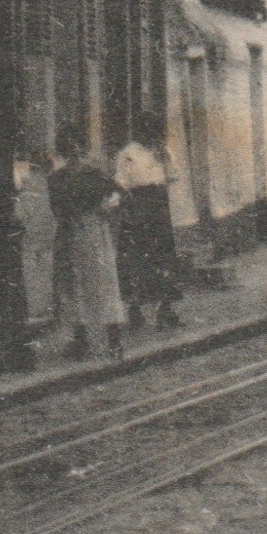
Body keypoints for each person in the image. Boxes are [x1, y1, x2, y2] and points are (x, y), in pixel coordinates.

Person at [48, 124, 128, 359]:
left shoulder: (94, 173)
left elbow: (118, 193)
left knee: (102, 283)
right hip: (69, 233)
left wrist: (105, 207)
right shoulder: (57, 178)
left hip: (94, 232)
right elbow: (56, 208)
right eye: (68, 145)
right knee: (74, 286)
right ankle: (81, 339)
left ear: (82, 147)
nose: (73, 150)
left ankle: (114, 339)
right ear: (63, 149)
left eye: (77, 144)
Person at [114, 140, 183, 330]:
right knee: (137, 259)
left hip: (159, 205)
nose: (150, 135)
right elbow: (121, 182)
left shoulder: (162, 149)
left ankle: (165, 310)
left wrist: (166, 159)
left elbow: (174, 176)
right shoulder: (128, 153)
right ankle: (135, 309)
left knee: (163, 258)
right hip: (138, 207)